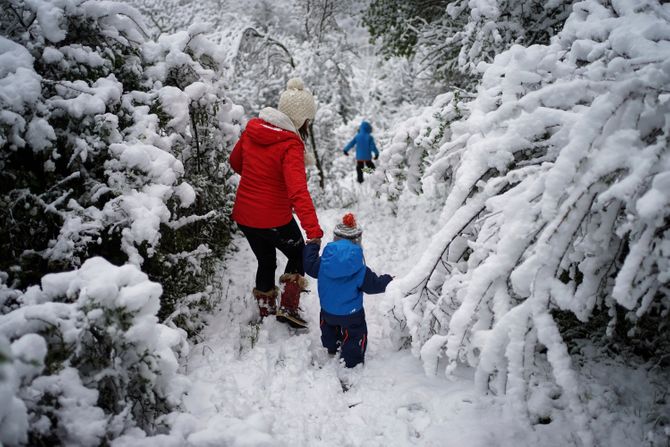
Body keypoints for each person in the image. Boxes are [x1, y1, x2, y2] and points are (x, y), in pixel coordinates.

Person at [229, 78, 323, 329]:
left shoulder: (253, 130)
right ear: (301, 118)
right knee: (299, 253)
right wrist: (314, 232)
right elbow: (298, 192)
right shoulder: (291, 145)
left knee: (266, 260)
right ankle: (289, 307)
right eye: (307, 119)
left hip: (245, 217)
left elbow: (235, 162)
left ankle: (266, 309)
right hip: (273, 218)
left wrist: (259, 178)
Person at [303, 213, 393, 367]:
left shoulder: (323, 263)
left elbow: (309, 264)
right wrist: (390, 280)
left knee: (329, 328)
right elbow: (375, 285)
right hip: (352, 314)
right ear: (357, 241)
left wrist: (312, 245)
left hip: (327, 312)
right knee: (355, 333)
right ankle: (352, 361)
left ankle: (332, 346)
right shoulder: (360, 269)